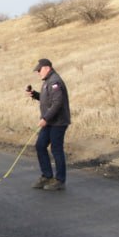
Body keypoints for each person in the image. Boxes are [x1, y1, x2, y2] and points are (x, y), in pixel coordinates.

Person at [26, 58, 70, 190]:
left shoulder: (55, 81)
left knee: (56, 150)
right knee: (40, 146)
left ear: (47, 68)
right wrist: (35, 94)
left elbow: (58, 103)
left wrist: (45, 118)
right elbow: (47, 99)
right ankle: (46, 176)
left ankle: (60, 181)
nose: (38, 72)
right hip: (49, 121)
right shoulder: (47, 82)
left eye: (39, 70)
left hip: (58, 122)